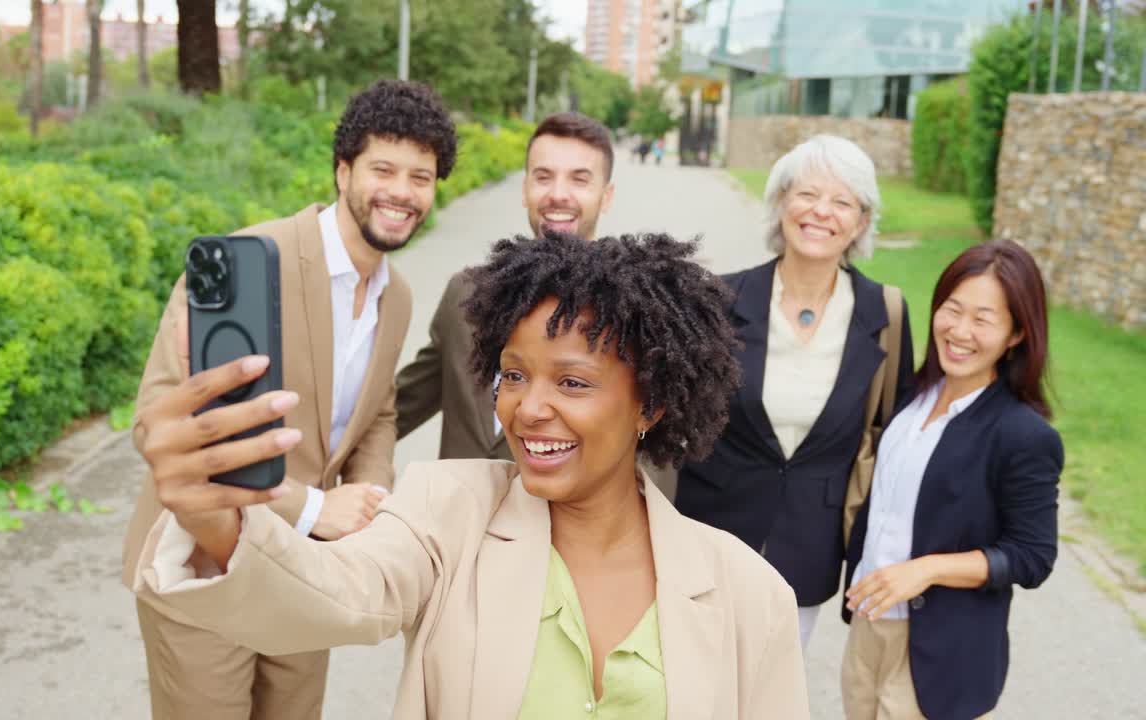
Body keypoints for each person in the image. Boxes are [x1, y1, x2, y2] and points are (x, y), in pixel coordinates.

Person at [130, 233, 810, 719]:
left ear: (651, 405)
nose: (527, 408)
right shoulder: (444, 511)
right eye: (512, 375)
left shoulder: (750, 596)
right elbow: (334, 592)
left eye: (573, 382)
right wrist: (213, 516)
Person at [120, 79, 458, 720]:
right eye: (383, 168)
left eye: (422, 177)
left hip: (306, 572)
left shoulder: (398, 294)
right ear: (342, 171)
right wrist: (312, 506)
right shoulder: (248, 260)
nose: (402, 193)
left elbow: (379, 412)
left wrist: (371, 501)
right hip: (206, 564)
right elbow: (158, 420)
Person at [673, 135, 915, 649]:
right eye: (806, 194)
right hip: (707, 536)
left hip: (808, 546)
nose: (821, 212)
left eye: (842, 201)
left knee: (772, 691)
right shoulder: (717, 299)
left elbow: (892, 435)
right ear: (781, 201)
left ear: (862, 222)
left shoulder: (885, 314)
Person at [840, 241, 1063, 720]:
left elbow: (1033, 556)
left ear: (1016, 334)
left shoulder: (1023, 435)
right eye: (952, 310)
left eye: (983, 319)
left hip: (941, 654)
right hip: (868, 629)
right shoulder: (911, 398)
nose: (960, 331)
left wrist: (928, 569)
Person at [395, 112, 615, 460]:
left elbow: (652, 468)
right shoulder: (466, 294)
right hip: (458, 512)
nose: (558, 194)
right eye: (543, 177)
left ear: (606, 196)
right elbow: (400, 406)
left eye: (579, 180)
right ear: (525, 189)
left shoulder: (629, 314)